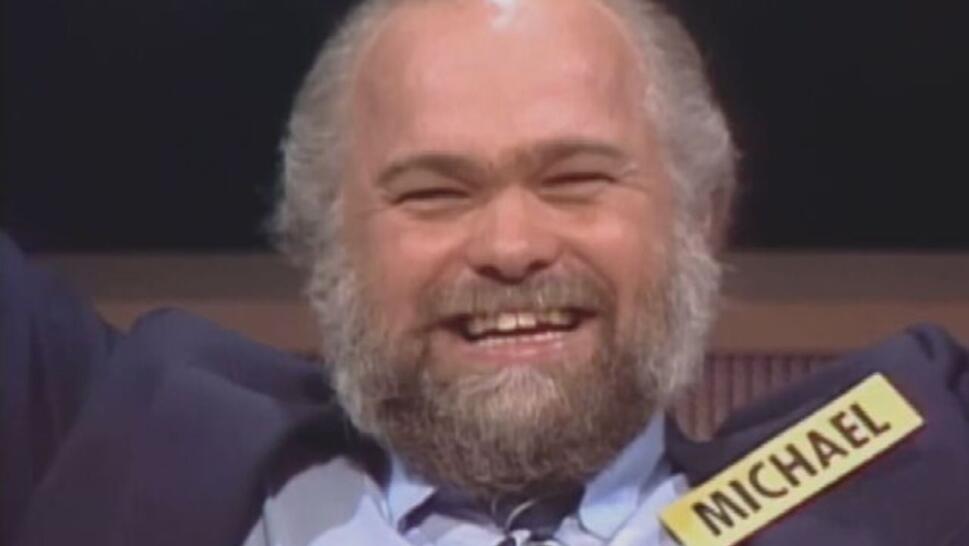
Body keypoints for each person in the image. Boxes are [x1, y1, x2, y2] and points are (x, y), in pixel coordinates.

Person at [2, 0, 967, 545]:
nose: (510, 247)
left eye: (576, 179)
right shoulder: (123, 442)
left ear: (700, 216)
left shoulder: (908, 481)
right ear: (324, 243)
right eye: (433, 192)